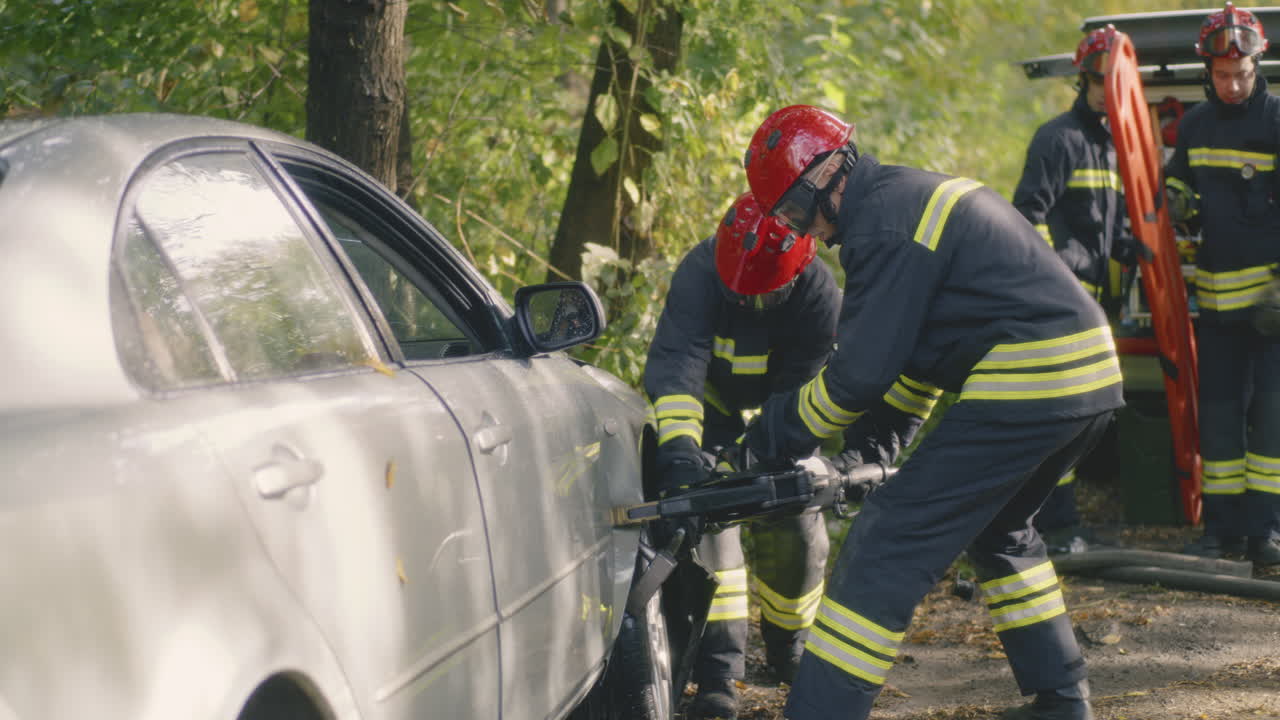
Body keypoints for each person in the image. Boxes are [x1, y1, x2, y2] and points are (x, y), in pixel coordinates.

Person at [738, 104, 1123, 720]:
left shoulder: (881, 229)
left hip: (1034, 379)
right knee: (1001, 529)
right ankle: (1060, 701)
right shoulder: (899, 203)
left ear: (827, 177)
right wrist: (871, 452)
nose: (800, 229)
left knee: (886, 541)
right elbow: (917, 359)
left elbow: (855, 377)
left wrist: (771, 438)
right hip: (1088, 375)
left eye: (792, 210)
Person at [643, 191, 837, 720]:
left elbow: (804, 391)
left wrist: (759, 459)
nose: (751, 304)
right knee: (709, 528)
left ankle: (788, 645)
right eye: (740, 293)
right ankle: (718, 673)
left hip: (784, 424)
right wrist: (681, 451)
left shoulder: (820, 294)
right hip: (710, 413)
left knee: (794, 524)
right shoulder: (700, 271)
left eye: (764, 297)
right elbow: (680, 362)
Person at [1164, 2, 1280, 567]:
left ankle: (1268, 531)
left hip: (1271, 307)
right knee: (1219, 416)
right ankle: (1222, 530)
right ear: (1207, 73)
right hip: (1216, 303)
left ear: (1259, 65)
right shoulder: (1194, 126)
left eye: (1243, 74)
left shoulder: (1277, 120)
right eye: (1222, 76)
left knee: (1272, 420)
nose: (1233, 85)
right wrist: (1176, 199)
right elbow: (1176, 187)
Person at [1012, 27, 1136, 554]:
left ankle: (1062, 523)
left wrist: (1133, 246)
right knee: (1063, 414)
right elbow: (1026, 220)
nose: (1109, 95)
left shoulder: (1116, 148)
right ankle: (1056, 526)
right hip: (1064, 301)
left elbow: (1110, 225)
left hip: (1099, 303)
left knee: (1088, 413)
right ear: (1083, 80)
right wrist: (1062, 274)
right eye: (1101, 83)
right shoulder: (1058, 139)